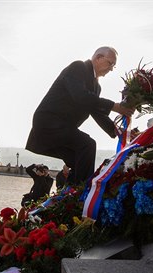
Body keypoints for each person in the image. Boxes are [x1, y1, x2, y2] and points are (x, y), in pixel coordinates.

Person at [25, 46, 135, 184]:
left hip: (64, 127)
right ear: (98, 58)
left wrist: (117, 131)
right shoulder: (78, 67)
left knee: (77, 160)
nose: (111, 68)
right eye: (110, 63)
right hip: (50, 123)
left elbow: (96, 112)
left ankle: (68, 197)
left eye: (114, 66)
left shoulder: (97, 86)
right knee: (87, 145)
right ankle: (82, 194)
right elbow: (81, 96)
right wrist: (114, 106)